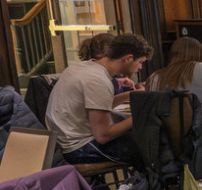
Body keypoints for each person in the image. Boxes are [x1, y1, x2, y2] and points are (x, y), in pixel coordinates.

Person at [47, 31, 151, 165]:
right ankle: (136, 185)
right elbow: (103, 135)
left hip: (63, 142)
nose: (140, 67)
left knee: (143, 142)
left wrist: (130, 95)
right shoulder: (98, 81)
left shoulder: (83, 68)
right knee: (150, 146)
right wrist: (141, 115)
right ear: (129, 58)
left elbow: (98, 105)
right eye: (140, 62)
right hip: (79, 148)